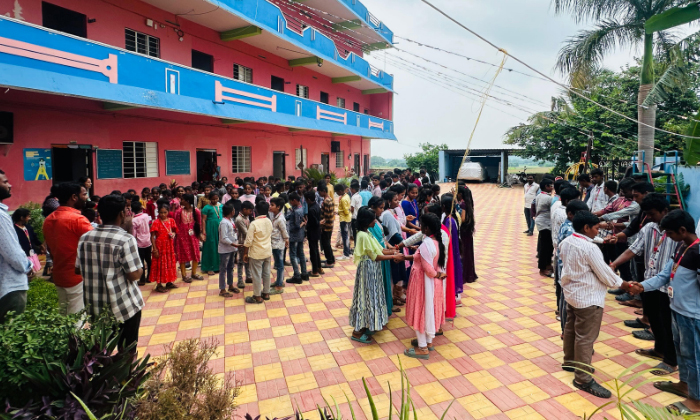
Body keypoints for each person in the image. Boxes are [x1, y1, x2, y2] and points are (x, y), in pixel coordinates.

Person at [628, 211, 700, 414]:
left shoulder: (697, 253)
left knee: (694, 357)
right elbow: (664, 275)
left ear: (683, 230)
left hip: (692, 316)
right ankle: (685, 385)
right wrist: (641, 287)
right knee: (682, 353)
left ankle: (697, 401)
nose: (667, 236)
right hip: (677, 311)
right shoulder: (681, 248)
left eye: (669, 232)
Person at [560, 211, 630, 398]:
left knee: (571, 329)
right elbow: (605, 275)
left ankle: (569, 361)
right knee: (585, 337)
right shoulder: (590, 249)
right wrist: (624, 285)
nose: (598, 233)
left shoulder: (566, 242)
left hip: (572, 294)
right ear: (586, 228)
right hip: (588, 298)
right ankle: (582, 378)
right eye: (596, 229)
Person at [610, 194, 677, 376]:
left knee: (667, 323)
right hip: (649, 283)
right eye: (647, 214)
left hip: (668, 286)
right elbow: (633, 249)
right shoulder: (649, 228)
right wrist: (614, 264)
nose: (650, 217)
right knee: (654, 319)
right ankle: (659, 349)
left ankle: (671, 361)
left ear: (664, 211)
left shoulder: (676, 232)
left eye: (653, 214)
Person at [76, 194, 144, 352]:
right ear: (122, 214)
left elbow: (78, 269)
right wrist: (140, 268)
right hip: (123, 306)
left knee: (101, 352)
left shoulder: (85, 238)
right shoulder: (125, 239)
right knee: (126, 350)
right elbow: (134, 275)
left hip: (95, 307)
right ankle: (126, 376)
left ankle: (105, 376)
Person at [349, 207, 401, 344]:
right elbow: (376, 256)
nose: (375, 221)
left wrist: (394, 252)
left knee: (371, 297)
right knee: (366, 298)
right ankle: (357, 331)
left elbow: (381, 249)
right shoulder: (363, 235)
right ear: (366, 221)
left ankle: (366, 325)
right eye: (372, 219)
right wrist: (394, 256)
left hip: (373, 270)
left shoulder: (367, 233)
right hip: (368, 270)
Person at [402, 213, 447, 359]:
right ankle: (427, 342)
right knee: (428, 311)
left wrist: (437, 275)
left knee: (420, 310)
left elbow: (428, 269)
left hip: (423, 283)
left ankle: (422, 348)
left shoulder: (427, 244)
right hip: (432, 283)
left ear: (426, 228)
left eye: (421, 225)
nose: (420, 227)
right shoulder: (435, 242)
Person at [43, 182, 92, 315]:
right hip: (77, 277)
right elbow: (96, 244)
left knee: (65, 317)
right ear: (74, 197)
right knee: (77, 319)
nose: (86, 198)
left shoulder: (48, 219)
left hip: (59, 275)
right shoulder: (77, 220)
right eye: (84, 194)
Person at [0, 171, 32, 323]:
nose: (10, 185)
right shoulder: (0, 216)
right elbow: (12, 252)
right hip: (9, 286)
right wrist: (27, 266)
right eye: (5, 182)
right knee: (11, 337)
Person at [243, 201, 281, 304]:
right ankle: (266, 293)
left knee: (256, 275)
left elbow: (248, 240)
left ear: (256, 211)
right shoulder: (269, 221)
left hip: (256, 253)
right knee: (266, 273)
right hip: (267, 251)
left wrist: (245, 253)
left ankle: (257, 296)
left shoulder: (254, 223)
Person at [173, 194, 204, 282]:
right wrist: (177, 235)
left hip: (193, 235)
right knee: (182, 254)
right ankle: (184, 275)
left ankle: (193, 273)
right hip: (182, 236)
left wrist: (199, 234)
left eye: (182, 199)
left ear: (187, 201)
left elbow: (199, 223)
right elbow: (177, 224)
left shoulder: (196, 211)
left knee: (195, 253)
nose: (180, 201)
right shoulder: (179, 212)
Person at [150, 204, 178, 292]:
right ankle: (159, 285)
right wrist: (155, 249)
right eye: (161, 212)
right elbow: (152, 237)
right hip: (160, 246)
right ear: (158, 212)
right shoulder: (156, 222)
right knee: (160, 264)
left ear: (168, 212)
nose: (163, 214)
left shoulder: (171, 221)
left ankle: (169, 282)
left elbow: (174, 231)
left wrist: (173, 234)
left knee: (169, 263)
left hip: (169, 246)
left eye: (165, 212)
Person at [218, 202, 240, 297]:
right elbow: (223, 237)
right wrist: (233, 243)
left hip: (232, 248)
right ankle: (222, 289)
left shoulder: (231, 220)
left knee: (231, 267)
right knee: (223, 269)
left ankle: (230, 285)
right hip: (225, 249)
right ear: (232, 211)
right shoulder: (224, 223)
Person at [285, 192, 308, 284]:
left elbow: (297, 226)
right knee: (301, 254)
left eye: (290, 201)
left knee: (293, 255)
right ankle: (304, 273)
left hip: (294, 236)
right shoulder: (300, 208)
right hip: (301, 235)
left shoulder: (296, 211)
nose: (290, 203)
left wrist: (302, 224)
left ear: (294, 200)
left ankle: (297, 275)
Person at [457, 186, 477, 285]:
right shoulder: (467, 203)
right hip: (467, 231)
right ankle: (469, 273)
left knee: (464, 251)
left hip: (464, 230)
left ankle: (466, 274)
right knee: (467, 251)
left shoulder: (463, 204)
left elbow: (463, 218)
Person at [535, 178, 554, 277]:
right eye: (551, 186)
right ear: (546, 186)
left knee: (548, 245)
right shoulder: (548, 198)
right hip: (545, 223)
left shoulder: (540, 195)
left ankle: (547, 264)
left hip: (543, 222)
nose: (552, 188)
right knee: (545, 247)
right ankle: (542, 268)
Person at [269, 197, 289, 291]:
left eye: (272, 205)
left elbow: (284, 230)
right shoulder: (274, 216)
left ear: (278, 207)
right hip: (274, 243)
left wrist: (286, 240)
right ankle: (279, 280)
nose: (270, 206)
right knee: (278, 264)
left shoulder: (280, 218)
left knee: (280, 265)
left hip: (278, 244)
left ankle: (279, 284)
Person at [131, 201, 152, 286]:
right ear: (141, 208)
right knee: (149, 260)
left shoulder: (134, 220)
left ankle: (142, 279)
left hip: (139, 243)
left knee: (141, 261)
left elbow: (133, 234)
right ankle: (150, 277)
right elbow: (150, 225)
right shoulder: (146, 216)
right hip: (148, 241)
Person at [201, 192, 222, 275]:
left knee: (219, 247)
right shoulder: (206, 208)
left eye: (216, 199)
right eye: (213, 199)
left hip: (219, 229)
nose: (214, 200)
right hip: (210, 228)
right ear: (209, 199)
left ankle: (218, 266)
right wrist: (204, 232)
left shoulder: (221, 206)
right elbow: (203, 220)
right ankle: (209, 267)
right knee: (210, 247)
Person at [305, 190, 323, 277]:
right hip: (317, 231)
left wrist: (306, 223)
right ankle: (319, 267)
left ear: (308, 199)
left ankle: (315, 270)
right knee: (316, 250)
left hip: (312, 232)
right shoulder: (317, 206)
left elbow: (315, 222)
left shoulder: (311, 209)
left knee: (313, 252)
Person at [318, 185, 336, 269]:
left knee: (326, 244)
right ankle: (331, 259)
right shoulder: (330, 199)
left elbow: (327, 216)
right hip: (330, 225)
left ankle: (329, 261)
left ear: (323, 191)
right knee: (327, 243)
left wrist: (321, 225)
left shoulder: (326, 201)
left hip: (327, 226)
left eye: (320, 192)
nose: (319, 193)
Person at [336, 184, 352, 261]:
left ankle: (346, 254)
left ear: (340, 191)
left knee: (345, 237)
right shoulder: (347, 196)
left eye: (337, 192)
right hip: (348, 218)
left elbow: (346, 211)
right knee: (347, 236)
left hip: (344, 219)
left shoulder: (343, 199)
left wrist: (339, 211)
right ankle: (348, 252)